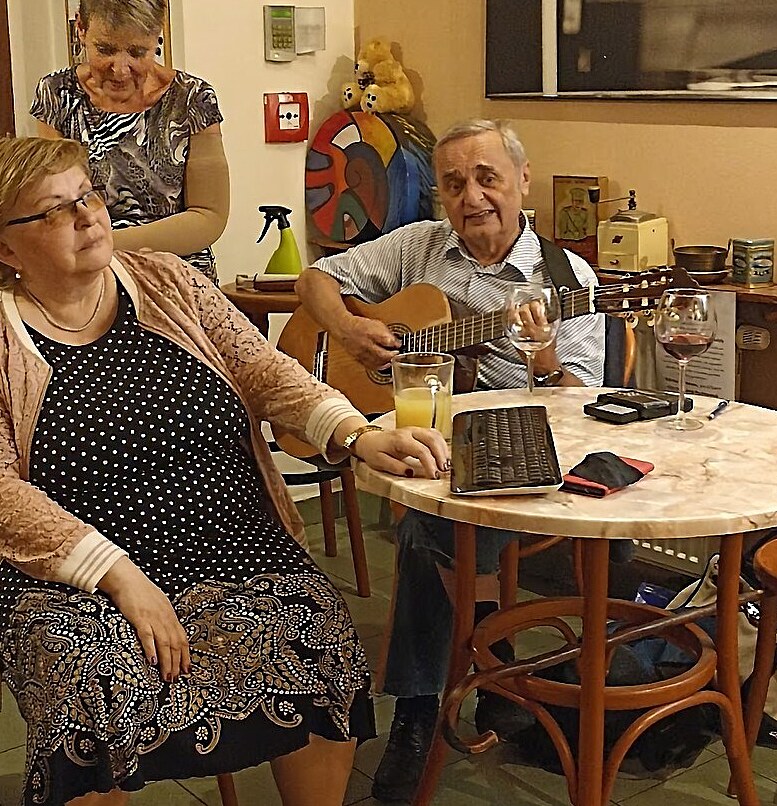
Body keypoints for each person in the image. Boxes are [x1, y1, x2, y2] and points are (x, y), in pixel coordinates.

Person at [0, 136, 449, 806]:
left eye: (87, 195)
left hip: (227, 539)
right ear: (7, 249)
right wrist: (119, 576)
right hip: (77, 574)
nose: (87, 215)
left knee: (319, 635)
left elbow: (263, 371)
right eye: (54, 210)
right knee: (87, 682)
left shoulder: (169, 281)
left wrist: (356, 432)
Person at [295, 118, 606, 802]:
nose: (472, 197)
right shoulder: (421, 246)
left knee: (425, 528)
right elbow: (315, 278)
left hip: (522, 453)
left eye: (488, 178)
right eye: (455, 183)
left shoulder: (566, 278)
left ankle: (417, 710)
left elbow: (579, 405)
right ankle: (492, 669)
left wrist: (543, 355)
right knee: (432, 512)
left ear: (523, 181)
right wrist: (351, 329)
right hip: (429, 440)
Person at [30, 0, 229, 284]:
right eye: (105, 49)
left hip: (178, 277)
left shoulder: (192, 99)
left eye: (137, 52)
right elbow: (53, 202)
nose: (121, 70)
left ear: (157, 37)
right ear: (81, 30)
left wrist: (105, 244)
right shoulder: (57, 94)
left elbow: (208, 217)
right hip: (89, 277)